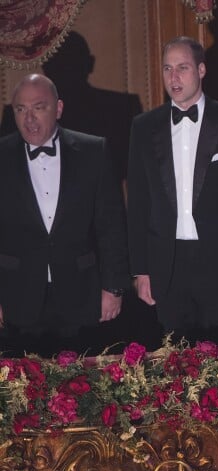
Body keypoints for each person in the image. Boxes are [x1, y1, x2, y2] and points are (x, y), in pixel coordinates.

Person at [127, 37, 218, 346]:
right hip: (167, 264)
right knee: (173, 364)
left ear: (201, 70)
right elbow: (137, 204)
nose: (174, 78)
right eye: (167, 69)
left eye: (182, 68)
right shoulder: (144, 127)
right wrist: (140, 271)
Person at [0, 74, 130, 356]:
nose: (29, 119)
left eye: (38, 107)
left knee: (82, 390)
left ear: (58, 108)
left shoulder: (94, 151)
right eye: (21, 109)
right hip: (16, 299)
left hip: (82, 297)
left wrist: (114, 288)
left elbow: (112, 227)